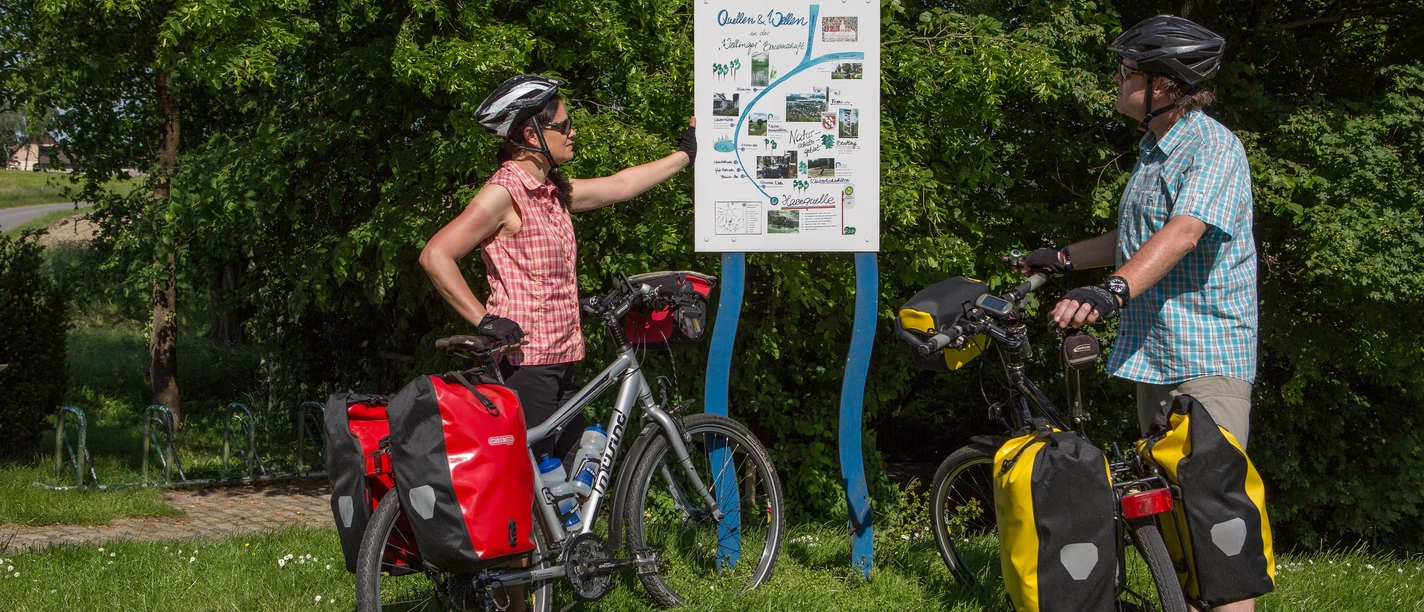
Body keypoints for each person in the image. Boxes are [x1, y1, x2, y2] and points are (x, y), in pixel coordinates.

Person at [1021, 18, 1256, 609]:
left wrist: (1111, 292)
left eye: (1127, 71)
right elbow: (1139, 240)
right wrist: (1062, 257)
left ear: (1165, 85)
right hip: (1157, 356)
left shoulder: (1212, 146)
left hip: (1205, 358)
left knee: (1216, 530)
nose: (1118, 80)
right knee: (1177, 526)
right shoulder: (1154, 153)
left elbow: (1184, 232)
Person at [421, 74, 696, 463]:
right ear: (531, 135)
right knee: (531, 482)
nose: (572, 132)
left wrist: (685, 155)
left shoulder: (552, 193)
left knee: (567, 477)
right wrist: (485, 321)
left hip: (562, 360)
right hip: (525, 365)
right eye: (563, 126)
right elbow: (436, 255)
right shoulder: (504, 194)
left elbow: (621, 185)